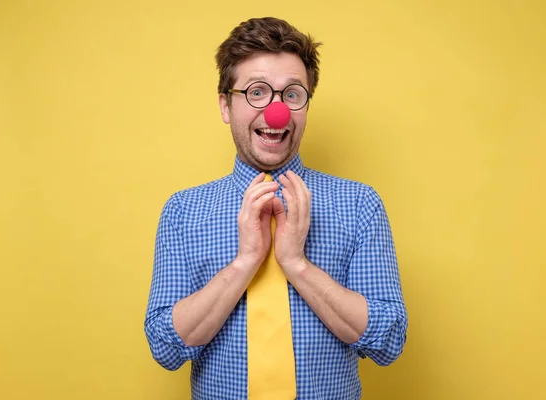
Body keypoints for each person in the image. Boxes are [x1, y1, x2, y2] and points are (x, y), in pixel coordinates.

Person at [145, 16, 407, 400]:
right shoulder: (183, 211)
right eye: (256, 92)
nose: (276, 111)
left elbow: (388, 342)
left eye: (292, 94)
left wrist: (296, 264)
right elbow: (166, 348)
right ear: (225, 105)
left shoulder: (358, 204)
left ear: (305, 105)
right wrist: (246, 261)